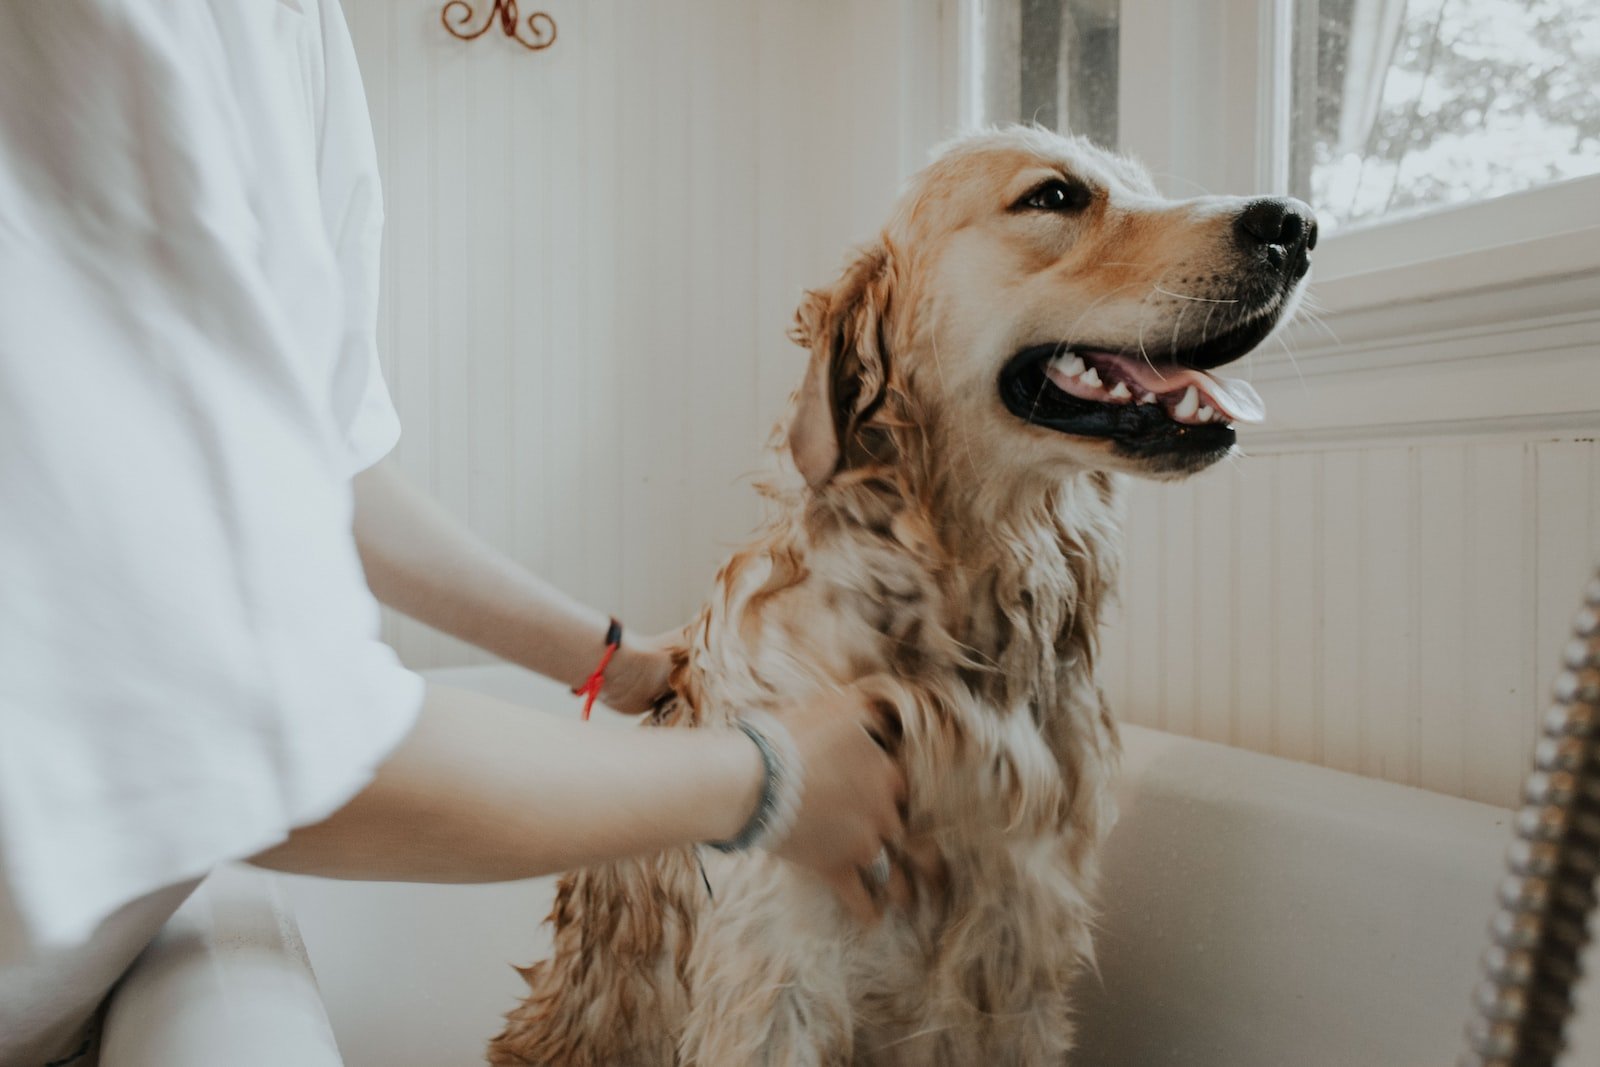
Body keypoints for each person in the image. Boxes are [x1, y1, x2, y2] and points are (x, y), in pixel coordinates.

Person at [0, 3, 904, 1064]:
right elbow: (238, 730)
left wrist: (608, 659)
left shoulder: (291, 31)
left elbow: (324, 472)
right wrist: (764, 782)